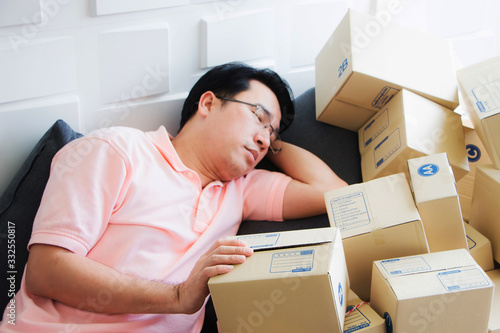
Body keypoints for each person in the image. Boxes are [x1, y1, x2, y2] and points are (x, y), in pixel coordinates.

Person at [0, 62, 347, 332]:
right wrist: (178, 297)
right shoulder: (116, 150)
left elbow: (334, 193)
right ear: (209, 103)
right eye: (258, 117)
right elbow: (46, 271)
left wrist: (273, 141)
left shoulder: (242, 190)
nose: (262, 139)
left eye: (271, 134)